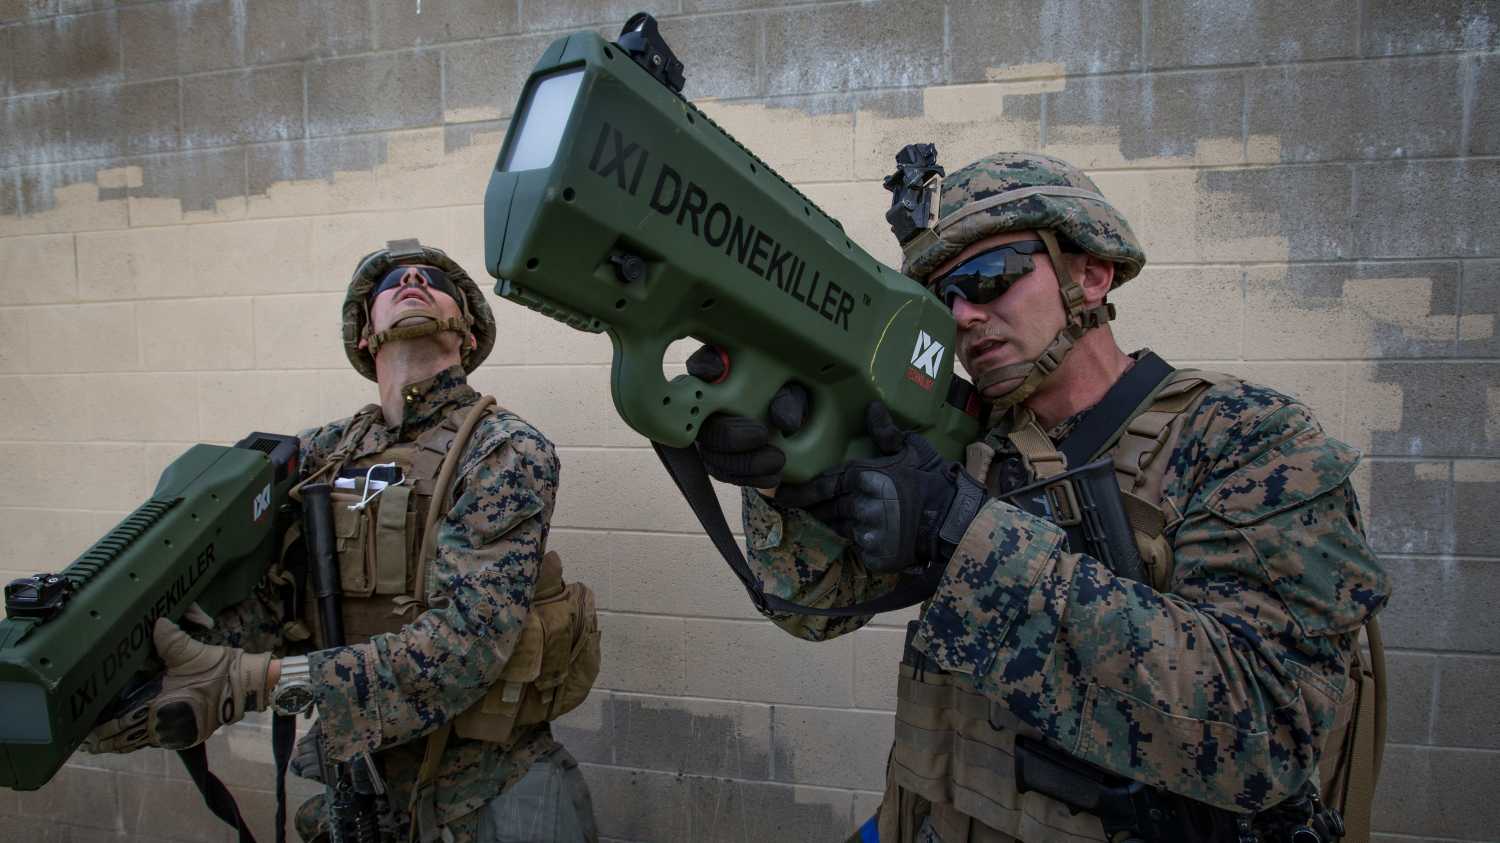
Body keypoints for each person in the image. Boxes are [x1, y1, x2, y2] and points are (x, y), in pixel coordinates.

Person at [687, 153, 1389, 842]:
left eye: (989, 278)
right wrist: (787, 480)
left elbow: (1267, 731)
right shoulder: (961, 441)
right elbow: (813, 610)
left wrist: (962, 530)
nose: (963, 315)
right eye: (940, 298)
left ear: (1090, 272)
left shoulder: (1248, 440)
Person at [85, 239, 601, 843]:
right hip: (356, 792)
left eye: (434, 279)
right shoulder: (318, 455)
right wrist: (149, 676)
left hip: (490, 798)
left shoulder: (504, 447)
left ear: (466, 331)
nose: (413, 279)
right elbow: (266, 601)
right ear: (364, 333)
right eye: (392, 284)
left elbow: (465, 646)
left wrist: (257, 681)